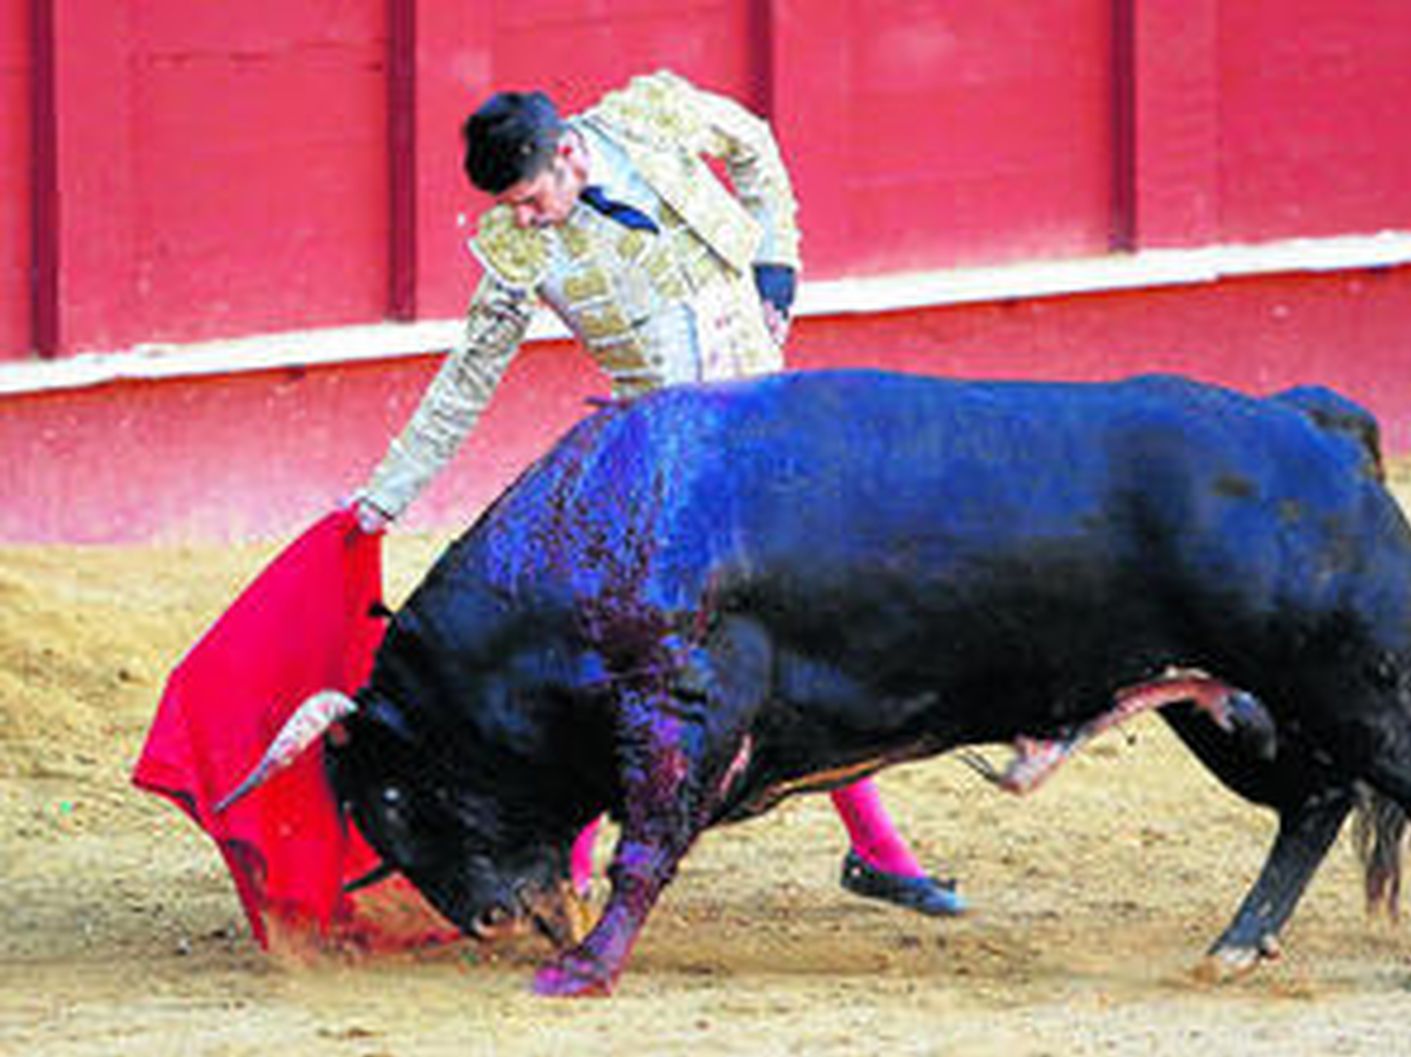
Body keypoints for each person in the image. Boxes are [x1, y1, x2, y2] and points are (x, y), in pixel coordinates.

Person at [349, 70, 964, 917]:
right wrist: (386, 498)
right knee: (642, 663)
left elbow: (752, 143)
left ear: (567, 152)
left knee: (808, 640)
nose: (521, 219)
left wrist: (776, 260)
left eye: (531, 198)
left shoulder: (654, 115)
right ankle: (566, 873)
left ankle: (876, 853)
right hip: (666, 473)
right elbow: (468, 378)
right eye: (513, 207)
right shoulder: (520, 248)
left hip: (772, 439)